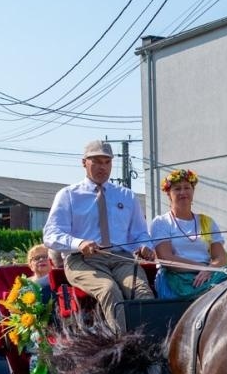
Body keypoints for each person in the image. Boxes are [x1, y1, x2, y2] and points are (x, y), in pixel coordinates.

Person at [43, 139, 155, 326]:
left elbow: (140, 233)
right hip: (82, 260)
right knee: (109, 289)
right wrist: (79, 243)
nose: (102, 167)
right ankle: (124, 347)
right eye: (96, 161)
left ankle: (152, 343)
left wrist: (145, 246)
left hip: (122, 259)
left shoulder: (126, 196)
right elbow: (51, 234)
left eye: (107, 162)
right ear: (84, 162)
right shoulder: (68, 195)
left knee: (142, 292)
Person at [149, 168, 227, 300]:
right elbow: (166, 258)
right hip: (175, 278)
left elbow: (221, 257)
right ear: (168, 194)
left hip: (207, 274)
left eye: (187, 187)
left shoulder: (207, 221)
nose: (183, 192)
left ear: (193, 191)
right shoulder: (161, 222)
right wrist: (202, 268)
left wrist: (210, 269)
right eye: (177, 189)